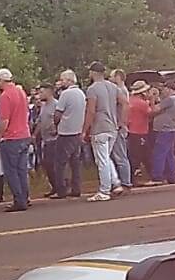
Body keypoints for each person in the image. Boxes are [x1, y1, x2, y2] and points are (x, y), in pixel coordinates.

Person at [0, 67, 32, 212]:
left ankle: (19, 200)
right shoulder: (21, 92)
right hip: (24, 134)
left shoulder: (5, 96)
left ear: (2, 81)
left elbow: (4, 120)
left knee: (11, 171)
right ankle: (25, 197)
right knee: (22, 170)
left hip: (11, 138)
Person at [83, 61, 121, 201]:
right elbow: (124, 103)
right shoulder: (113, 87)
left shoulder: (92, 89)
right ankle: (115, 182)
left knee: (102, 160)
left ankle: (104, 190)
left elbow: (91, 111)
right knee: (106, 157)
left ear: (93, 73)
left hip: (99, 128)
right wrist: (121, 122)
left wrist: (85, 129)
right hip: (113, 126)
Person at [50, 70, 85, 199]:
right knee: (75, 162)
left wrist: (55, 125)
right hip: (77, 130)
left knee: (60, 162)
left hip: (66, 131)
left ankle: (61, 189)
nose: (61, 82)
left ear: (69, 80)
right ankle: (76, 187)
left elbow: (58, 113)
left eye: (62, 80)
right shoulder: (81, 93)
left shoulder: (66, 94)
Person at [149, 82, 175, 183]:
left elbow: (154, 110)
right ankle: (171, 175)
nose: (163, 91)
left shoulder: (170, 99)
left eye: (164, 89)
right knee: (169, 154)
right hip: (171, 129)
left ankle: (157, 176)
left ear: (169, 89)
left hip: (165, 130)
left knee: (159, 153)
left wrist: (152, 99)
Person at [108, 69, 133, 193]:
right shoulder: (121, 90)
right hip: (117, 126)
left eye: (112, 76)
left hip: (118, 127)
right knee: (118, 155)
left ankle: (125, 182)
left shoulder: (121, 90)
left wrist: (122, 123)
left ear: (118, 77)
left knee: (120, 155)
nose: (110, 79)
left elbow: (125, 105)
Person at [127, 80, 153, 184]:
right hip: (140, 131)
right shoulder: (142, 103)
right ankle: (137, 177)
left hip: (131, 130)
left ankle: (132, 177)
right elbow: (151, 113)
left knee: (134, 155)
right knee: (142, 155)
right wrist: (152, 101)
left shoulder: (130, 100)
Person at [33, 84, 58, 186]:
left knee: (54, 164)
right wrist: (34, 135)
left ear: (49, 92)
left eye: (42, 92)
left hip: (54, 139)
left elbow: (61, 119)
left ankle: (61, 186)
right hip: (45, 139)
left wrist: (56, 129)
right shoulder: (43, 106)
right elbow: (40, 121)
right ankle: (54, 186)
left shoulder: (56, 105)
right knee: (47, 164)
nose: (40, 95)